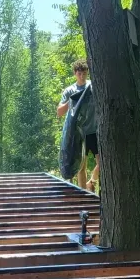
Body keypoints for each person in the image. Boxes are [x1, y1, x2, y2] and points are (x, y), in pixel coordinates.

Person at [57, 58, 99, 192]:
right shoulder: (70, 90)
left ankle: (92, 181)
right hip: (79, 134)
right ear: (75, 73)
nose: (82, 75)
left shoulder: (93, 86)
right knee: (81, 166)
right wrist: (72, 102)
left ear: (87, 73)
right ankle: (83, 194)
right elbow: (59, 112)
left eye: (84, 73)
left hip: (95, 131)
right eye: (79, 73)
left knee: (102, 162)